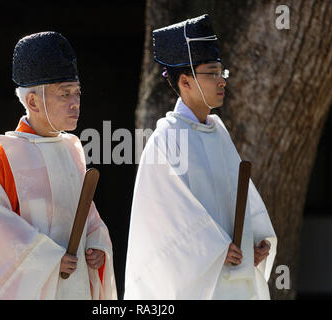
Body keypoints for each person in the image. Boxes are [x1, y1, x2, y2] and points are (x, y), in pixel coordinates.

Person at [124, 14, 277, 300]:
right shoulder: (165, 140)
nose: (221, 81)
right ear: (186, 81)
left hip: (233, 274)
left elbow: (240, 198)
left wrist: (257, 240)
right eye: (211, 73)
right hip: (196, 283)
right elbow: (164, 225)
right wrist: (216, 248)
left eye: (222, 73)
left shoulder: (218, 132)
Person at [0, 31, 117, 300]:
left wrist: (97, 245)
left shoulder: (71, 150)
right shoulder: (4, 157)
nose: (75, 103)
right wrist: (49, 258)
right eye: (64, 94)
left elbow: (88, 217)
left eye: (77, 93)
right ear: (33, 101)